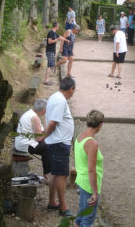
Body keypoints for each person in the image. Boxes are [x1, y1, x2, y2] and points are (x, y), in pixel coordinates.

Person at [44, 77, 76, 217]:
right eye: (74, 90)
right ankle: (63, 207)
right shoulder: (60, 100)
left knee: (55, 173)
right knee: (62, 175)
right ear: (71, 89)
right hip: (59, 143)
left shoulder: (54, 97)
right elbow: (53, 123)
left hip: (56, 142)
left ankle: (52, 202)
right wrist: (43, 136)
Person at [74, 110, 104, 227]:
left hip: (81, 180)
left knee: (81, 215)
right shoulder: (92, 144)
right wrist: (95, 192)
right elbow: (91, 170)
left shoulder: (79, 137)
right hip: (88, 184)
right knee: (88, 219)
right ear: (100, 125)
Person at [14, 99, 51, 181]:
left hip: (21, 142)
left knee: (48, 144)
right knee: (47, 147)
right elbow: (39, 138)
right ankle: (47, 174)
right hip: (25, 145)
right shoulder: (35, 118)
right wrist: (48, 131)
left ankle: (49, 170)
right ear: (43, 110)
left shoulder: (30, 113)